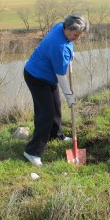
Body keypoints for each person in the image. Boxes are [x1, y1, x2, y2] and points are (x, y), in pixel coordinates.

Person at [23, 14, 88, 167]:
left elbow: (67, 47)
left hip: (47, 74)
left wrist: (70, 54)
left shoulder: (60, 26)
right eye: (75, 35)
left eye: (80, 35)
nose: (77, 38)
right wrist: (69, 95)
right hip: (36, 77)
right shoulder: (59, 47)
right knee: (46, 113)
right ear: (66, 29)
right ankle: (32, 152)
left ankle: (55, 135)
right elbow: (61, 76)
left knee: (55, 107)